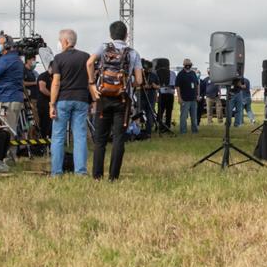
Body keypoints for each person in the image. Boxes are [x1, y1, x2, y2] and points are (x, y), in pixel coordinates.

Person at [87, 20, 144, 181]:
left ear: (110, 35)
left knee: (100, 139)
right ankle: (113, 177)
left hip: (102, 97)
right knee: (119, 138)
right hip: (123, 100)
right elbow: (139, 80)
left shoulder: (103, 48)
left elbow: (89, 63)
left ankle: (97, 175)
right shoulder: (133, 53)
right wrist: (127, 85)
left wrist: (92, 85)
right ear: (126, 35)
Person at [49, 29, 92, 176]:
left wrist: (52, 104)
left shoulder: (58, 58)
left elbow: (56, 83)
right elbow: (91, 79)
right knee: (80, 136)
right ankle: (80, 171)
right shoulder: (86, 57)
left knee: (58, 136)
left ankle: (56, 172)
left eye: (61, 41)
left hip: (63, 100)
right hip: (81, 99)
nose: (60, 44)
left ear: (66, 42)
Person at [174, 58, 201, 134]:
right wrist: (179, 98)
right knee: (183, 117)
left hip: (193, 99)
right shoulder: (180, 74)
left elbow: (197, 84)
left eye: (189, 64)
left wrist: (198, 95)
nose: (188, 66)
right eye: (187, 64)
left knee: (194, 117)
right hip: (185, 99)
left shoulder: (193, 73)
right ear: (184, 65)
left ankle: (195, 130)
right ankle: (183, 131)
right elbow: (177, 87)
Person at [157, 64, 175, 131]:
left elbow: (174, 84)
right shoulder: (159, 73)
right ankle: (159, 126)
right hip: (162, 94)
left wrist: (169, 86)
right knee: (160, 111)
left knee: (169, 111)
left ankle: (167, 126)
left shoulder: (172, 73)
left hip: (170, 94)